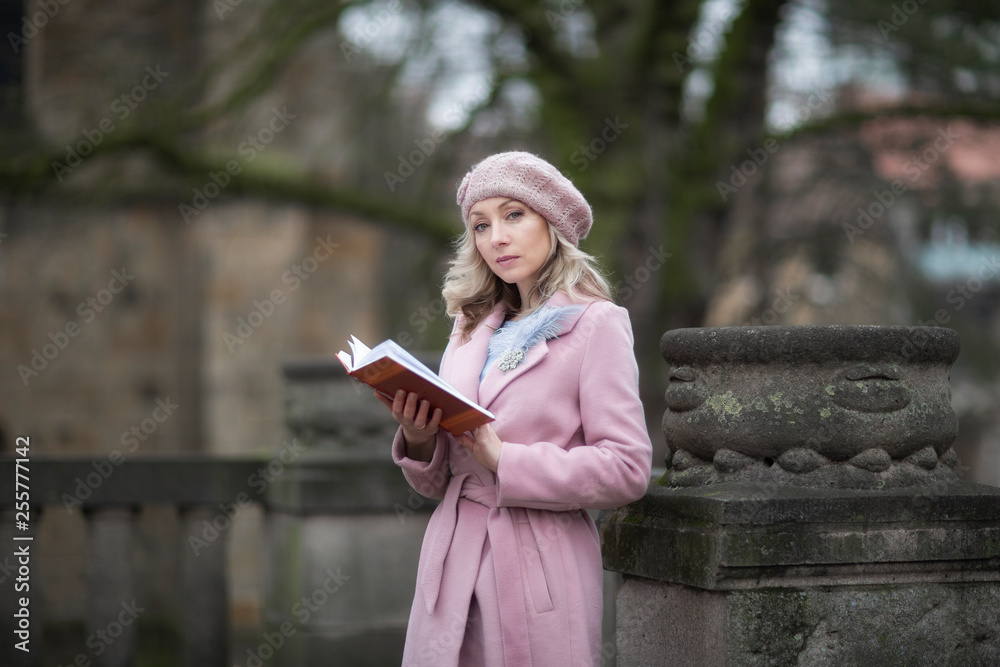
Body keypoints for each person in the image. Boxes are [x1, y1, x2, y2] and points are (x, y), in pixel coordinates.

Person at [376, 151, 653, 666]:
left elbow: (627, 469)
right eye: (481, 225)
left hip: (537, 568)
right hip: (451, 564)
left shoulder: (597, 325)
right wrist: (417, 438)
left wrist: (506, 459)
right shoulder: (469, 326)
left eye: (514, 215)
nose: (496, 237)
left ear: (553, 223)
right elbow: (440, 484)